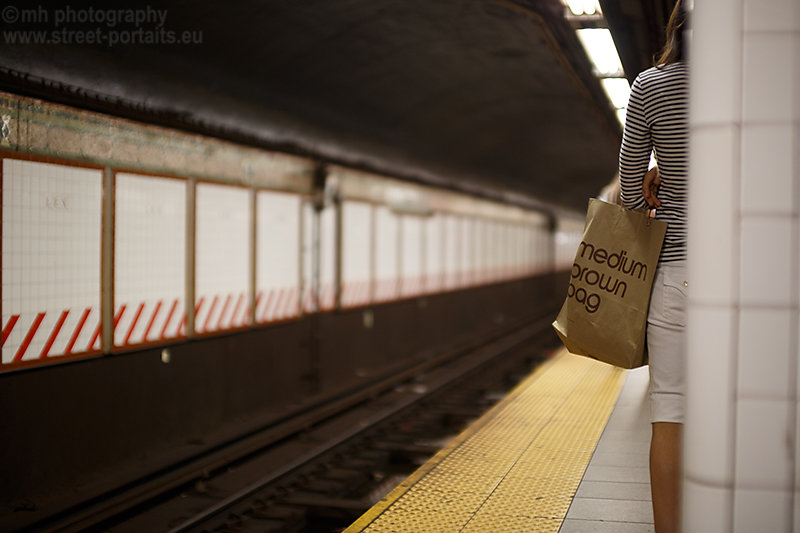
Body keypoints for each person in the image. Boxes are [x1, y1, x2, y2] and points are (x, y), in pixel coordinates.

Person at [618, 2, 688, 532]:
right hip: (746, 278)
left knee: (670, 414)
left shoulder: (650, 86)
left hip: (676, 275)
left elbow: (627, 193)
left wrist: (655, 183)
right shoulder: (755, 87)